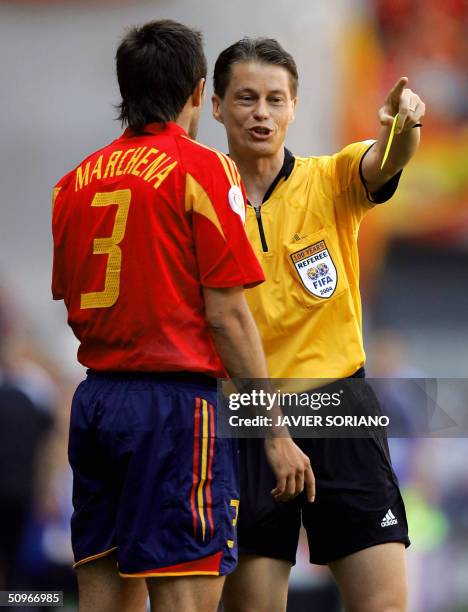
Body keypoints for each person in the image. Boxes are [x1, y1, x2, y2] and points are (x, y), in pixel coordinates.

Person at [51, 22, 313, 612]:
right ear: (199, 92)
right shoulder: (204, 169)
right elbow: (228, 315)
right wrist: (274, 432)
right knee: (186, 602)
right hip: (174, 410)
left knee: (103, 599)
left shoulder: (71, 185)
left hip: (96, 404)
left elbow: (72, 299)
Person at [212, 37, 425, 612]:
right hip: (249, 419)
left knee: (383, 602)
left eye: (276, 100)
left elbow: (386, 161)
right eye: (247, 98)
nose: (262, 113)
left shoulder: (331, 179)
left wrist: (402, 128)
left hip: (340, 408)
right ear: (216, 106)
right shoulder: (202, 199)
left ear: (294, 106)